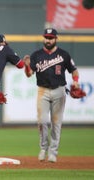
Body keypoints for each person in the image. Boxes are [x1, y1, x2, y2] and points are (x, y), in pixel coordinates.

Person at [24, 28, 80, 163]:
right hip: (42, 90)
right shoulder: (36, 55)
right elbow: (29, 74)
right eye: (46, 37)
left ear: (56, 39)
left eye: (51, 38)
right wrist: (26, 66)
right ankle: (43, 148)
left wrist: (76, 83)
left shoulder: (64, 55)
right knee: (42, 121)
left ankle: (53, 152)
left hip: (59, 90)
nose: (48, 40)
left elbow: (74, 70)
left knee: (56, 123)